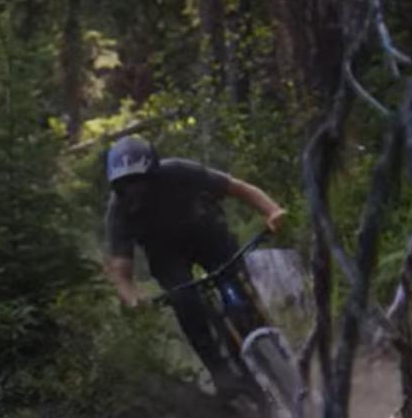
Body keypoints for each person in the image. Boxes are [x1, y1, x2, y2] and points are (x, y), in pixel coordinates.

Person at [102, 135, 287, 402]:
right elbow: (120, 269)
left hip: (208, 235)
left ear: (155, 172)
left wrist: (272, 211)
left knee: (236, 285)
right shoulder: (118, 210)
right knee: (184, 300)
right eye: (126, 185)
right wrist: (132, 297)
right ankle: (220, 371)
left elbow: (238, 188)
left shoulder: (179, 170)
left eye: (140, 181)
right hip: (166, 255)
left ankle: (270, 344)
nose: (135, 191)